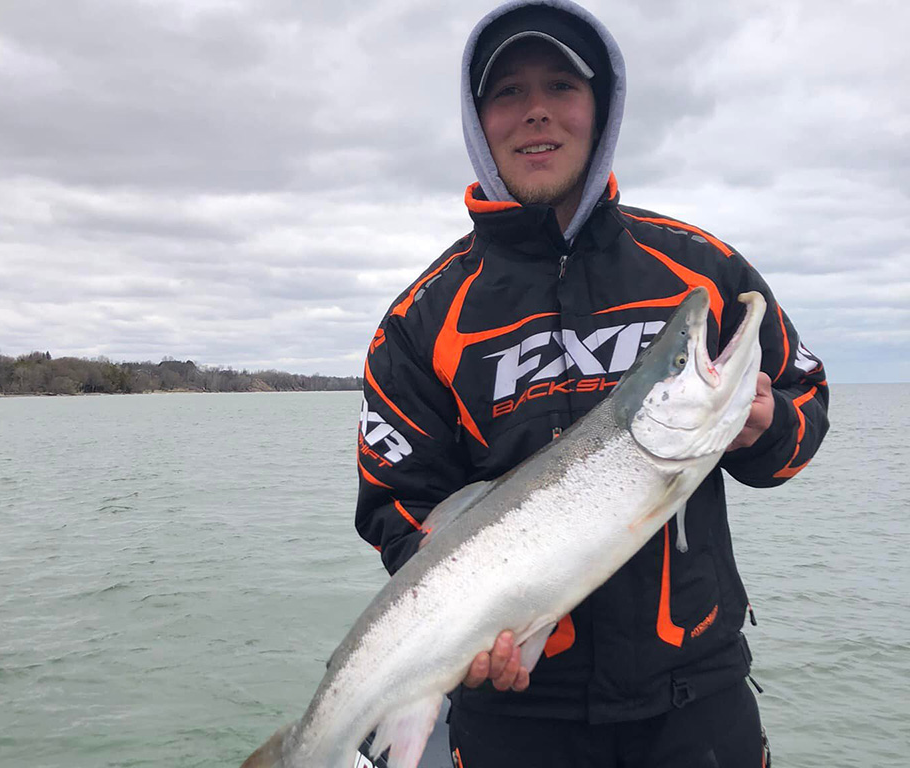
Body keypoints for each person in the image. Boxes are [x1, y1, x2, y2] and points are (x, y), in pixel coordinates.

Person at [355, 1, 829, 765]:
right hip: (515, 720)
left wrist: (766, 427)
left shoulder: (699, 271)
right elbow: (399, 507)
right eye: (508, 92)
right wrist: (467, 638)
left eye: (561, 86)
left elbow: (804, 412)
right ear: (479, 122)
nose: (536, 111)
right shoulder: (422, 319)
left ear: (601, 108)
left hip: (695, 701)